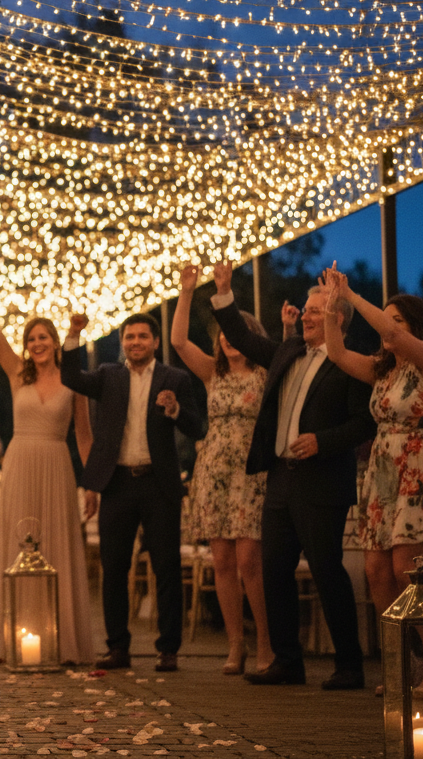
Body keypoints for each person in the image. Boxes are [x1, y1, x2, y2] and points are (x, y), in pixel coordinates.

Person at [208, 261, 376, 691]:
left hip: (322, 481)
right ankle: (287, 661)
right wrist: (224, 292)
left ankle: (350, 665)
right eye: (305, 308)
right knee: (274, 571)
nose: (305, 314)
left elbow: (364, 423)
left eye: (315, 310)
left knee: (326, 570)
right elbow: (243, 336)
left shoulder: (351, 363)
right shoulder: (287, 351)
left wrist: (322, 440)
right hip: (281, 479)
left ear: (337, 318)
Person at [319, 266, 423, 697]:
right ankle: (401, 665)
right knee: (377, 571)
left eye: (396, 320)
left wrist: (354, 296)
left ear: (416, 328)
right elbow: (337, 354)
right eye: (385, 319)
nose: (386, 328)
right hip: (381, 474)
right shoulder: (384, 372)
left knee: (409, 569)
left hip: (418, 468)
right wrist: (331, 308)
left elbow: (394, 338)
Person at [0, 258, 94, 665]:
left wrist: (94, 485)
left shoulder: (75, 381)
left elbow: (84, 436)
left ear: (55, 342)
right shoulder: (18, 374)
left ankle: (61, 638)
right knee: (20, 545)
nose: (36, 344)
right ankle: (19, 634)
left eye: (43, 337)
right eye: (31, 338)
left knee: (57, 546)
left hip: (57, 466)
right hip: (20, 464)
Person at [60, 311, 203, 673]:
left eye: (142, 337)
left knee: (167, 567)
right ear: (123, 342)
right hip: (118, 482)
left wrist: (174, 410)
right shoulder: (109, 376)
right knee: (114, 568)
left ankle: (168, 649)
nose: (135, 342)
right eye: (130, 337)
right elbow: (71, 376)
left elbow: (197, 426)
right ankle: (118, 647)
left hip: (160, 483)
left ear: (155, 342)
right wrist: (73, 335)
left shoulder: (176, 378)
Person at [171, 264, 273, 675]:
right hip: (213, 471)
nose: (229, 341)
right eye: (224, 336)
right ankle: (236, 645)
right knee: (223, 562)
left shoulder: (266, 374)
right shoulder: (213, 374)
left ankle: (266, 642)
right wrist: (186, 291)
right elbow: (178, 341)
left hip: (251, 473)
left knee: (251, 560)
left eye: (237, 334)